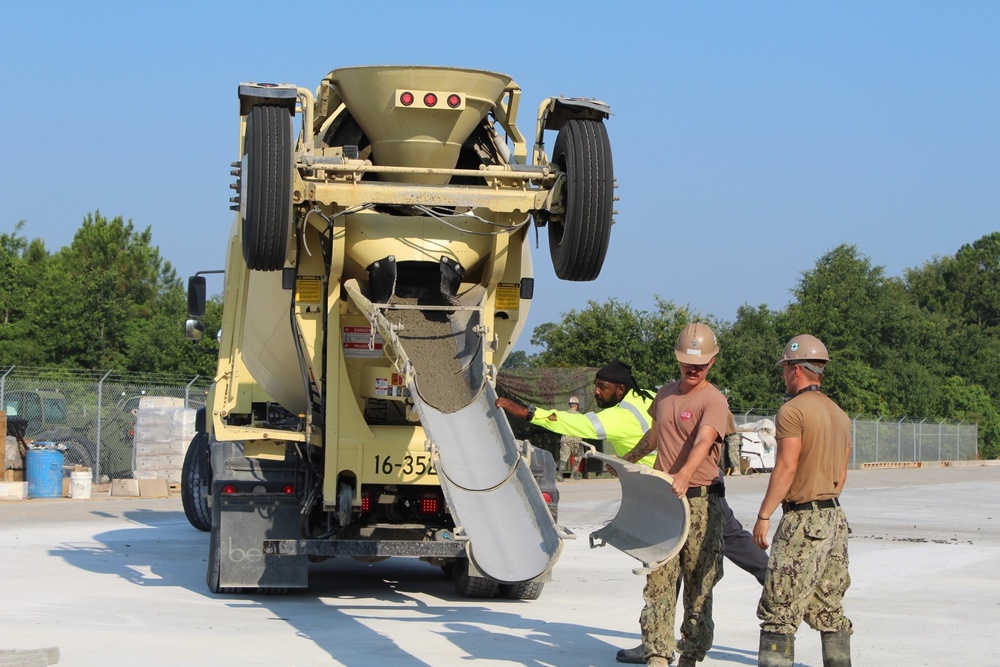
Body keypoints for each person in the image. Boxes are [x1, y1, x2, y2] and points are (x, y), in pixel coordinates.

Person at [497, 358, 768, 665]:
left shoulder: (620, 415)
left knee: (697, 559)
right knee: (673, 566)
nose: (597, 392)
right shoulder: (654, 397)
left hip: (680, 493)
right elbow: (655, 434)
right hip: (679, 490)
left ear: (620, 389)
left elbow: (582, 425)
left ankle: (778, 591)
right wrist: (627, 460)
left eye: (603, 387)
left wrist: (531, 413)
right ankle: (656, 641)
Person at [620, 323, 729, 667]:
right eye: (687, 363)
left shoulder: (714, 400)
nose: (693, 370)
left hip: (700, 502)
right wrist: (628, 460)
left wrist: (684, 474)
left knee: (699, 587)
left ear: (713, 362)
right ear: (678, 360)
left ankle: (690, 657)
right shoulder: (665, 394)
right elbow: (655, 436)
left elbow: (704, 441)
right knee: (659, 583)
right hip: (666, 501)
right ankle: (657, 655)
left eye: (700, 364)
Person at [752, 335, 853, 667]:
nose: (784, 375)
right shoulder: (839, 414)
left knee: (779, 608)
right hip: (834, 518)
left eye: (785, 369)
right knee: (828, 604)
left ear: (796, 369)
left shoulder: (792, 411)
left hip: (802, 519)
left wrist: (765, 514)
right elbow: (841, 474)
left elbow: (786, 466)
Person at [557, 396, 584, 480]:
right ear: (576, 405)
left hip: (565, 439)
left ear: (570, 405)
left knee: (563, 457)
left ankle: (560, 475)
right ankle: (573, 475)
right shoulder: (580, 416)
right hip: (576, 439)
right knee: (578, 456)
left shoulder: (564, 415)